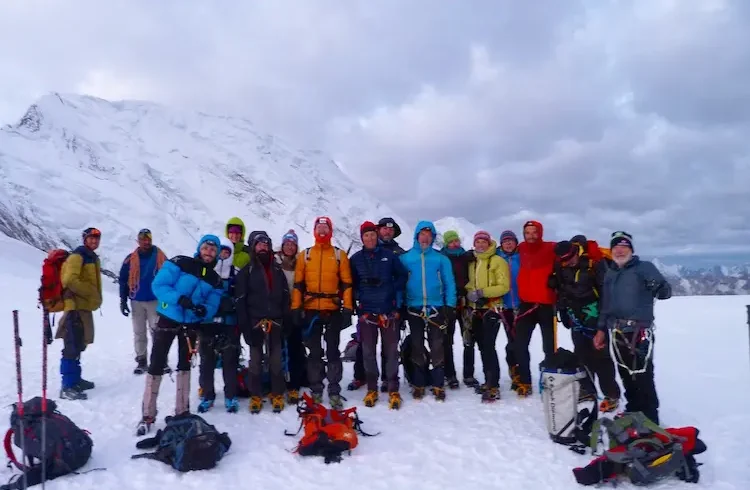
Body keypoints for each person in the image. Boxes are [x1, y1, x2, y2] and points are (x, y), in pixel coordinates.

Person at [137, 235, 224, 434]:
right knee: (157, 363)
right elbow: (159, 285)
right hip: (169, 318)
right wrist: (179, 299)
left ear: (217, 254)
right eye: (206, 248)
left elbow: (212, 303)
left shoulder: (215, 280)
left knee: (185, 365)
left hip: (191, 324)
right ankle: (147, 415)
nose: (209, 252)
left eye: (213, 250)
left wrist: (204, 310)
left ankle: (182, 411)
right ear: (199, 249)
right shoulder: (180, 262)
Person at [594, 231, 671, 424]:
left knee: (643, 376)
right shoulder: (610, 273)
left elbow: (665, 292)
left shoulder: (644, 268)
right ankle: (633, 412)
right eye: (616, 247)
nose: (619, 251)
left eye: (624, 247)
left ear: (631, 249)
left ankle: (650, 419)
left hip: (639, 332)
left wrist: (658, 287)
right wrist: (601, 330)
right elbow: (606, 305)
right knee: (626, 375)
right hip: (617, 332)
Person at [548, 239, 621, 413]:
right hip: (576, 317)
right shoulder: (561, 266)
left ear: (576, 252)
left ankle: (611, 395)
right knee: (581, 355)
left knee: (601, 358)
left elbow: (607, 295)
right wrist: (562, 310)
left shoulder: (595, 264)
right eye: (563, 260)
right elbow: (561, 290)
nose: (568, 262)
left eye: (569, 258)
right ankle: (587, 390)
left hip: (596, 316)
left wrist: (603, 326)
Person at [292, 217, 354, 409]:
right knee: (315, 353)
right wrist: (296, 308)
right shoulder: (305, 255)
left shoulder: (339, 255)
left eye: (325, 228)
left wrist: (348, 308)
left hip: (332, 310)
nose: (322, 231)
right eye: (319, 228)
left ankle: (334, 390)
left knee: (333, 351)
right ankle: (316, 389)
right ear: (314, 230)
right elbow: (298, 285)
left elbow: (347, 284)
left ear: (330, 231)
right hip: (311, 310)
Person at [350, 221, 408, 409]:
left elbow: (402, 276)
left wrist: (391, 290)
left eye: (372, 235)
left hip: (387, 312)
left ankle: (393, 388)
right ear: (362, 238)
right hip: (367, 312)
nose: (370, 238)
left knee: (391, 352)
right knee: (368, 352)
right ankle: (372, 388)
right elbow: (351, 283)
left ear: (377, 236)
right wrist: (358, 298)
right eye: (366, 236)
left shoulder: (390, 256)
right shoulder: (356, 259)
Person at [400, 221, 456, 401]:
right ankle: (418, 383)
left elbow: (449, 283)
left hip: (436, 307)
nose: (425, 238)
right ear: (417, 236)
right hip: (414, 307)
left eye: (429, 235)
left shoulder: (441, 259)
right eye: (422, 234)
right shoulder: (406, 258)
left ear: (432, 238)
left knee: (437, 345)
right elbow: (399, 285)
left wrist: (450, 305)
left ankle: (438, 383)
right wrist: (401, 306)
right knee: (416, 344)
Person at [235, 232, 291, 413]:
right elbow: (241, 300)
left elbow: (285, 297)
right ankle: (256, 395)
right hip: (255, 321)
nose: (263, 247)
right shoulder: (247, 271)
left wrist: (286, 319)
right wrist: (245, 326)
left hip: (275, 320)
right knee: (255, 360)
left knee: (276, 360)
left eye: (266, 244)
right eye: (259, 244)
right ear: (253, 247)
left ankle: (277, 393)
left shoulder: (277, 271)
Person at [55, 227, 103, 400]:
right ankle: (67, 386)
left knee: (79, 343)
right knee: (71, 346)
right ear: (84, 239)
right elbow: (69, 280)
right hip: (74, 308)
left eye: (97, 239)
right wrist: (90, 291)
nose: (94, 241)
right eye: (91, 238)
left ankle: (76, 380)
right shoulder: (77, 256)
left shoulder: (90, 257)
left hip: (83, 308)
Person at [196, 237, 241, 413]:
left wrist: (233, 304)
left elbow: (242, 295)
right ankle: (208, 395)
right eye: (221, 251)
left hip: (229, 323)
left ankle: (230, 396)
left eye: (227, 251)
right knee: (207, 361)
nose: (223, 254)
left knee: (230, 361)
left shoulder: (236, 273)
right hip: (207, 322)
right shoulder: (206, 271)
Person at [514, 220, 558, 397]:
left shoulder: (550, 247)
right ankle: (525, 381)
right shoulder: (521, 248)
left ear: (540, 233)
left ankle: (551, 380)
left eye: (534, 232)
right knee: (520, 345)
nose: (531, 236)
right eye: (527, 232)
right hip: (526, 305)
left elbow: (574, 248)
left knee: (549, 347)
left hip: (546, 305)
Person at [465, 231, 510, 402]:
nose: (481, 245)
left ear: (489, 243)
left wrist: (483, 292)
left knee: (489, 347)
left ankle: (493, 385)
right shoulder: (473, 261)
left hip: (492, 309)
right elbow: (470, 283)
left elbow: (504, 286)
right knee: (482, 347)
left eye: (484, 242)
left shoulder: (498, 261)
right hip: (475, 309)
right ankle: (488, 381)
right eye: (478, 242)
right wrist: (470, 293)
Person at [118, 228, 168, 375]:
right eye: (143, 239)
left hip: (155, 300)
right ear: (138, 241)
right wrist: (123, 299)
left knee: (157, 331)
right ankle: (142, 360)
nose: (145, 242)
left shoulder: (161, 257)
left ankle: (160, 360)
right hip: (136, 300)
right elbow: (123, 280)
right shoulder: (130, 259)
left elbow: (169, 277)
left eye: (148, 239)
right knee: (139, 332)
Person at [439, 230, 474, 388]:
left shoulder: (466, 257)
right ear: (446, 243)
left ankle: (468, 375)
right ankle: (450, 374)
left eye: (456, 240)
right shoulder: (441, 258)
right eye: (451, 241)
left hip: (465, 303)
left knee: (468, 340)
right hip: (448, 304)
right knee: (447, 340)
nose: (455, 243)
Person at [275, 229, 306, 404]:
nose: (289, 247)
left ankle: (294, 385)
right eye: (287, 244)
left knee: (296, 349)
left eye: (292, 244)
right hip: (278, 312)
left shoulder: (301, 263)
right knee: (277, 350)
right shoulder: (275, 262)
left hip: (296, 312)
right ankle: (278, 384)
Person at [496, 230, 522, 391]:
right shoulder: (498, 258)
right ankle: (515, 371)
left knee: (519, 341)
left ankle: (520, 371)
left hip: (521, 305)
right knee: (512, 341)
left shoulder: (522, 257)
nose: (508, 243)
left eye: (511, 241)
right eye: (505, 241)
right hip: (504, 306)